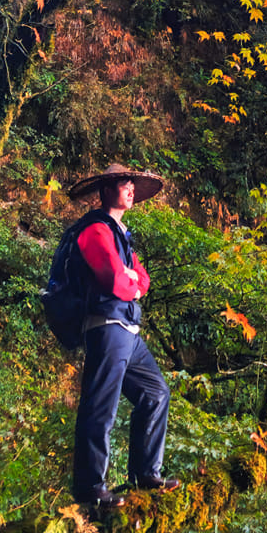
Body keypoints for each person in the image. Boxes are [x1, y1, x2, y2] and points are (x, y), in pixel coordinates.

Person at [66, 161, 181, 510]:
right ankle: (90, 490)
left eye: (132, 183)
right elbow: (116, 281)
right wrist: (130, 282)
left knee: (156, 393)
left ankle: (145, 474)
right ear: (105, 191)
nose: (130, 188)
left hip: (128, 331)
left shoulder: (120, 235)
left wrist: (132, 281)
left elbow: (141, 280)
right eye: (123, 183)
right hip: (106, 327)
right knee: (101, 407)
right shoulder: (95, 231)